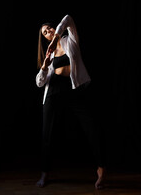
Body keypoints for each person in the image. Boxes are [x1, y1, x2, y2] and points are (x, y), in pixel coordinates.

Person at [35, 14, 106, 189]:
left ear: (54, 29)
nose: (48, 32)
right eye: (45, 32)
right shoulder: (49, 54)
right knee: (47, 134)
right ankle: (45, 173)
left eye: (49, 28)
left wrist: (57, 38)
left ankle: (101, 168)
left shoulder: (70, 40)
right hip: (53, 90)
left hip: (73, 88)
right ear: (44, 37)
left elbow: (68, 19)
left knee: (91, 126)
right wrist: (44, 66)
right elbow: (39, 82)